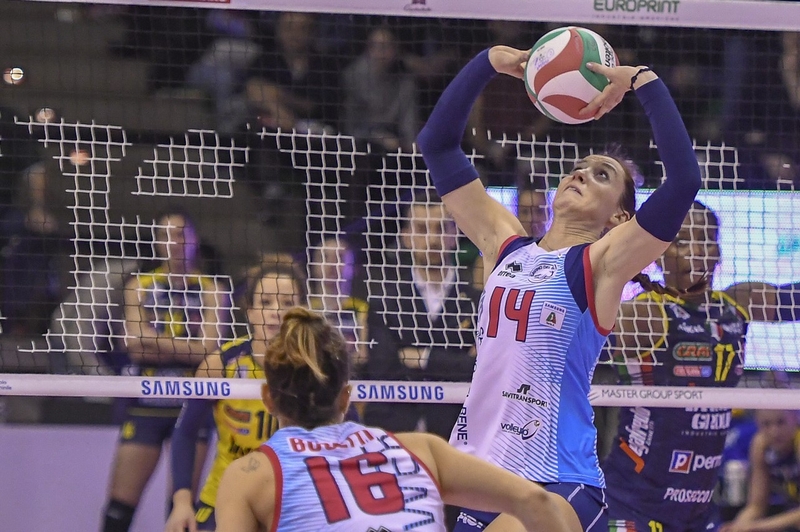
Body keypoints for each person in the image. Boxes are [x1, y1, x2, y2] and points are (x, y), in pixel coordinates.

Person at [415, 45, 702, 532]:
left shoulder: (601, 264)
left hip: (556, 480)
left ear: (619, 217)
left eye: (601, 175)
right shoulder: (504, 245)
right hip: (482, 479)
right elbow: (437, 144)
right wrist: (489, 63)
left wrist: (641, 80)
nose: (581, 173)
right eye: (580, 166)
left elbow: (683, 182)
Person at [213, 306, 573, 532]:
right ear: (346, 397)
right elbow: (536, 502)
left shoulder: (250, 476)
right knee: (552, 506)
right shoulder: (420, 449)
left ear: (268, 398)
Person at [602, 201, 800, 532]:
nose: (695, 251)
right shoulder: (644, 313)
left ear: (718, 253)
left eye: (706, 239)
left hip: (699, 509)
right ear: (658, 254)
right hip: (633, 501)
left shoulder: (737, 304)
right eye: (682, 241)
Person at [101, 212, 229, 532]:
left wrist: (153, 341)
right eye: (166, 235)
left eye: (181, 233)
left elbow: (210, 350)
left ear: (195, 239)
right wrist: (188, 348)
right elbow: (134, 346)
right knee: (118, 509)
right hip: (146, 403)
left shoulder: (211, 289)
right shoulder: (139, 285)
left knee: (181, 509)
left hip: (191, 405)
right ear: (157, 242)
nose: (174, 242)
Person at [164, 262, 303, 532]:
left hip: (291, 503)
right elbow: (185, 432)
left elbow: (349, 434)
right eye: (265, 302)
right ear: (250, 312)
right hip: (225, 498)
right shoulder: (220, 364)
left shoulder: (317, 369)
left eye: (287, 303)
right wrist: (181, 502)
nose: (276, 311)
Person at [363, 191, 479, 441]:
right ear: (406, 236)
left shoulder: (479, 302)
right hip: (394, 433)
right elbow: (382, 370)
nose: (432, 239)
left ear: (454, 234)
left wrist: (423, 358)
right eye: (422, 229)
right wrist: (454, 362)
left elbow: (479, 371)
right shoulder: (384, 301)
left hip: (458, 435)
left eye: (441, 229)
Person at [720, 410, 800, 532]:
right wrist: (736, 527)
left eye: (781, 422)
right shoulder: (760, 445)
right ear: (757, 424)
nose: (774, 432)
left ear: (795, 419)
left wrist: (756, 526)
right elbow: (756, 506)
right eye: (766, 424)